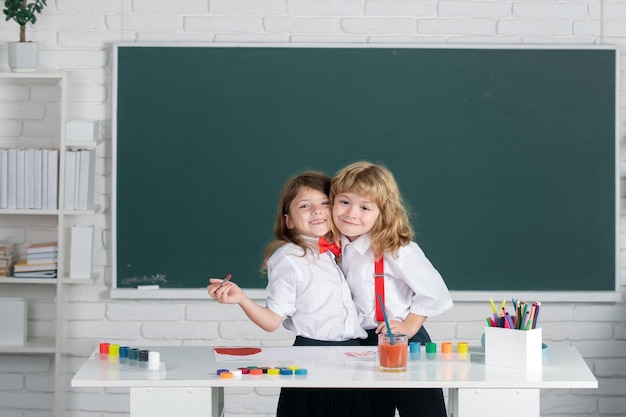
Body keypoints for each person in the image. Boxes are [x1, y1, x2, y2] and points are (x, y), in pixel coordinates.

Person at [207, 171, 371, 417]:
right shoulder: (289, 258)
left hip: (352, 357)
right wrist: (241, 298)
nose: (317, 210)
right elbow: (272, 321)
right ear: (289, 221)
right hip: (314, 359)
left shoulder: (336, 254)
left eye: (325, 203)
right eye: (305, 205)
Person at [330, 161, 454, 417]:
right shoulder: (333, 248)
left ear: (383, 213)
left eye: (365, 207)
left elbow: (435, 291)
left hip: (403, 343)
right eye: (344, 202)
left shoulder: (396, 249)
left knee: (423, 411)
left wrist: (409, 326)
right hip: (361, 345)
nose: (351, 213)